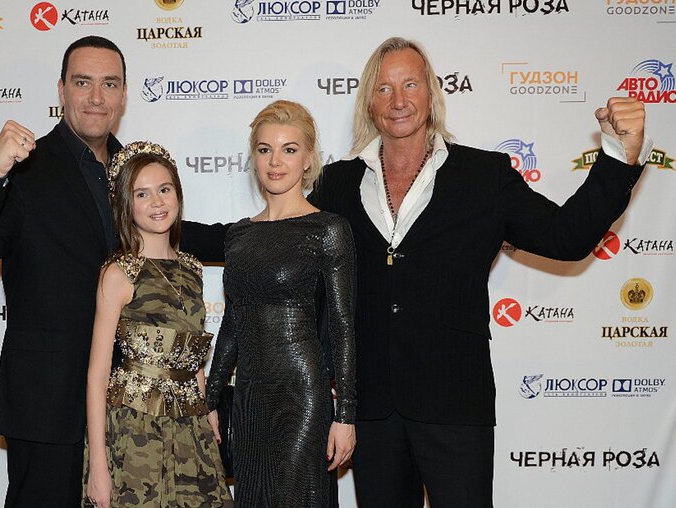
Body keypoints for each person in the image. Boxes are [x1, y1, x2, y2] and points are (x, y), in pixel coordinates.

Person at [306, 37, 650, 507]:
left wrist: (617, 156)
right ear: (369, 101)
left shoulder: (485, 176)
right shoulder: (337, 183)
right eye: (384, 88)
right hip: (371, 408)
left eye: (410, 85)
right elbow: (283, 249)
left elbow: (564, 237)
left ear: (432, 95)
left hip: (455, 402)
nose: (398, 100)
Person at [0, 36, 128, 507]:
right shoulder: (25, 168)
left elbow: (175, 238)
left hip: (129, 403)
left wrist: (271, 225)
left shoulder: (135, 173)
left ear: (124, 95)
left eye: (109, 84)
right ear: (61, 90)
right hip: (48, 399)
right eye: (83, 83)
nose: (96, 97)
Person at [204, 100, 357, 507]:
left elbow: (342, 327)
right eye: (265, 149)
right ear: (253, 157)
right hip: (249, 397)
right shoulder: (239, 236)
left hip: (302, 394)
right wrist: (211, 400)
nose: (275, 161)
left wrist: (345, 416)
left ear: (308, 159)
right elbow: (233, 323)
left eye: (289, 149)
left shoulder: (327, 229)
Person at [83, 142, 233, 508]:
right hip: (134, 427)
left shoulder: (192, 269)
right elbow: (97, 375)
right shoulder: (119, 273)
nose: (157, 202)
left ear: (178, 194)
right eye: (142, 194)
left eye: (164, 189)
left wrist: (207, 409)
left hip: (189, 424)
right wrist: (98, 465)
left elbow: (193, 356)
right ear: (126, 204)